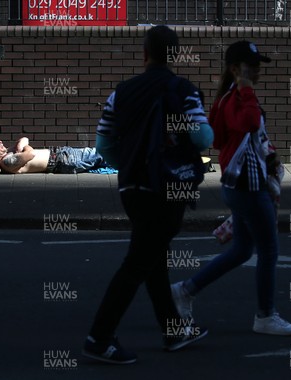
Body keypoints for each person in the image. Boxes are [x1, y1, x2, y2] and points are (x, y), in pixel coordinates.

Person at [82, 26, 214, 364]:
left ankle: (173, 331)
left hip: (132, 189)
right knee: (138, 262)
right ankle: (99, 337)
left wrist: (128, 165)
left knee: (151, 256)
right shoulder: (183, 91)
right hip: (169, 188)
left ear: (145, 54)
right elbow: (201, 140)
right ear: (175, 56)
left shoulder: (121, 92)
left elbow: (104, 144)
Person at [170, 41, 291, 336]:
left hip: (238, 184)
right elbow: (252, 123)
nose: (256, 71)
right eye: (250, 66)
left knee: (242, 250)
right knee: (269, 250)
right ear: (234, 69)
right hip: (247, 186)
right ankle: (265, 316)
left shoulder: (227, 98)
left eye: (257, 66)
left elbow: (219, 139)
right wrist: (246, 89)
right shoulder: (236, 98)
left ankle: (185, 290)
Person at [0, 134, 109, 174]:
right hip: (62, 160)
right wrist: (24, 147)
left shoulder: (9, 152)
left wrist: (20, 144)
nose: (0, 142)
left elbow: (24, 139)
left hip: (62, 155)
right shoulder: (6, 161)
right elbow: (30, 154)